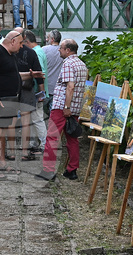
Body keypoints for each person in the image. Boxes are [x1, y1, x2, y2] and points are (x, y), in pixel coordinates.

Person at [0, 30, 40, 177]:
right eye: (21, 43)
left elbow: (14, 76)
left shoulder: (10, 54)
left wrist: (31, 75)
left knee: (2, 132)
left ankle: (2, 162)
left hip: (9, 99)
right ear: (13, 41)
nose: (22, 46)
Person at [38, 38, 88, 181]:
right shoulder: (82, 64)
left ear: (68, 50)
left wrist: (66, 107)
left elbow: (70, 87)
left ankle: (48, 170)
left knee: (52, 137)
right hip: (75, 107)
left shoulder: (68, 63)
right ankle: (72, 170)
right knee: (72, 138)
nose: (59, 50)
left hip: (62, 107)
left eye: (61, 48)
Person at [17, 30, 46, 159]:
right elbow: (39, 74)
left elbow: (39, 74)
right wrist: (41, 91)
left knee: (16, 121)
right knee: (26, 121)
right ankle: (24, 151)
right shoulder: (31, 52)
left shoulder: (7, 51)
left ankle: (13, 151)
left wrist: (41, 92)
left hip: (15, 89)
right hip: (26, 88)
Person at [42, 30, 63, 114]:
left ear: (52, 39)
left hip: (46, 87)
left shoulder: (44, 49)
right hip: (58, 88)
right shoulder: (63, 51)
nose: (46, 40)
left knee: (40, 113)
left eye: (48, 38)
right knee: (54, 115)